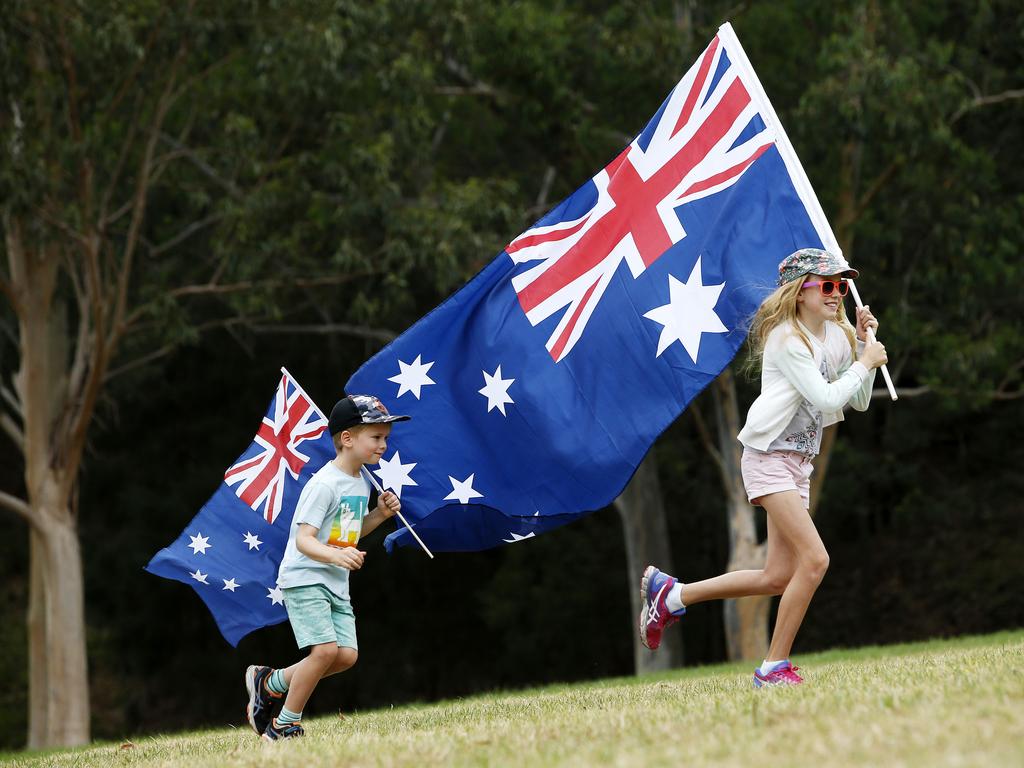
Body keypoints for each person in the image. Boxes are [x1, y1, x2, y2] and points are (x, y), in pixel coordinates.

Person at [639, 247, 888, 687]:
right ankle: (772, 668)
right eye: (828, 285)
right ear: (800, 292)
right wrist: (865, 361)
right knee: (815, 561)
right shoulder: (788, 340)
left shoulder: (838, 333)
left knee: (777, 577)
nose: (837, 294)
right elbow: (827, 398)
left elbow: (860, 400)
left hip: (798, 464)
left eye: (842, 286)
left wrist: (863, 348)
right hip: (768, 457)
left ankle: (673, 595)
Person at [245, 394, 410, 740]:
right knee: (324, 652)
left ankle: (270, 682)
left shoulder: (363, 481)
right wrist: (336, 556)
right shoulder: (324, 484)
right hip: (305, 578)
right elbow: (304, 539)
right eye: (376, 437)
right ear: (347, 438)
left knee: (346, 656)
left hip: (335, 581)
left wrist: (379, 514)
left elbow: (346, 533)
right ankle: (284, 725)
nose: (383, 446)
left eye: (385, 439)